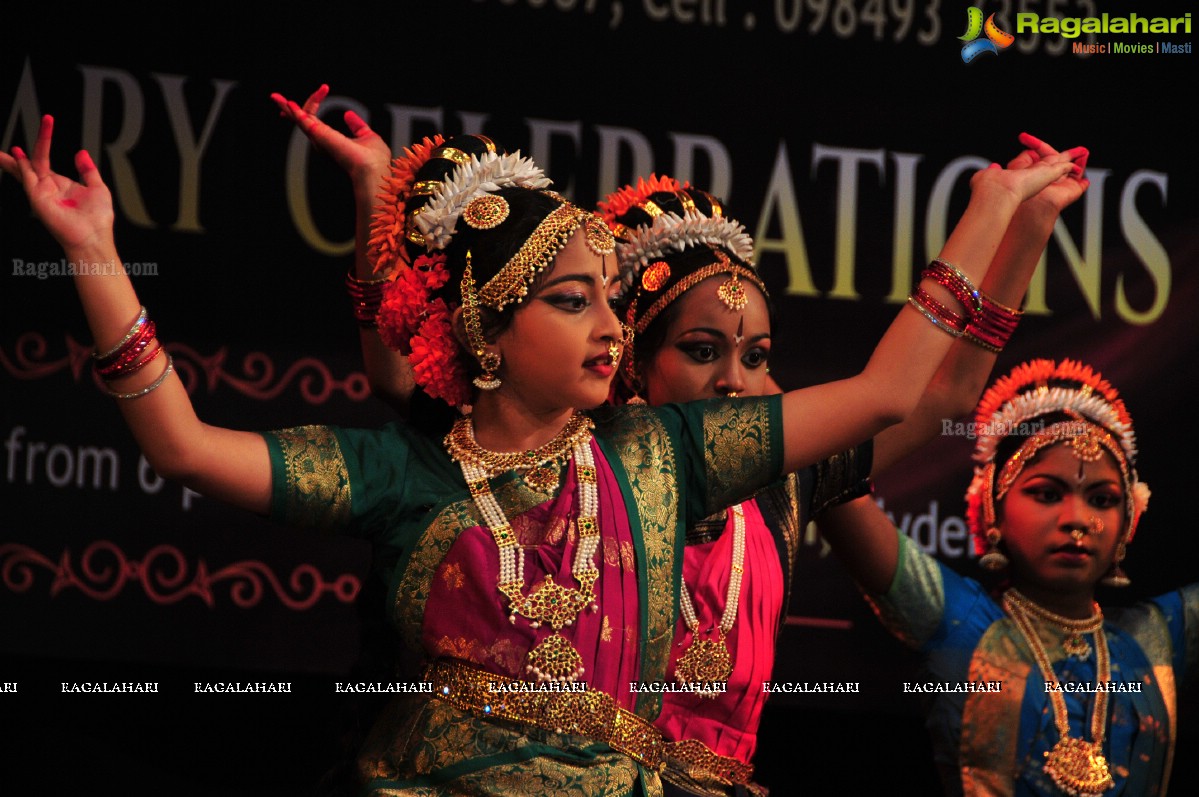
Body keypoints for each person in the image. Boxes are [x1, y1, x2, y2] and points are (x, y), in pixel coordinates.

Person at [1, 108, 1081, 796]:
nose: (606, 325)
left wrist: (995, 212)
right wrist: (96, 253)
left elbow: (905, 390)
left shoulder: (669, 453)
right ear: (485, 327)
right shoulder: (410, 471)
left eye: (612, 299)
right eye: (574, 301)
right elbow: (187, 446)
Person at [597, 153, 1088, 797]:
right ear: (633, 357)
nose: (733, 381)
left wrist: (1029, 225)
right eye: (701, 351)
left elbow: (944, 395)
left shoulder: (784, 480)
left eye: (757, 357)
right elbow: (888, 392)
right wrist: (990, 202)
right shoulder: (595, 465)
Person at [818, 357, 1195, 796]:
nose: (1077, 519)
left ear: (1128, 521)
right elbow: (828, 479)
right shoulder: (963, 624)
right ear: (992, 510)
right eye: (1047, 494)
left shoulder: (1155, 639)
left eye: (1102, 499)